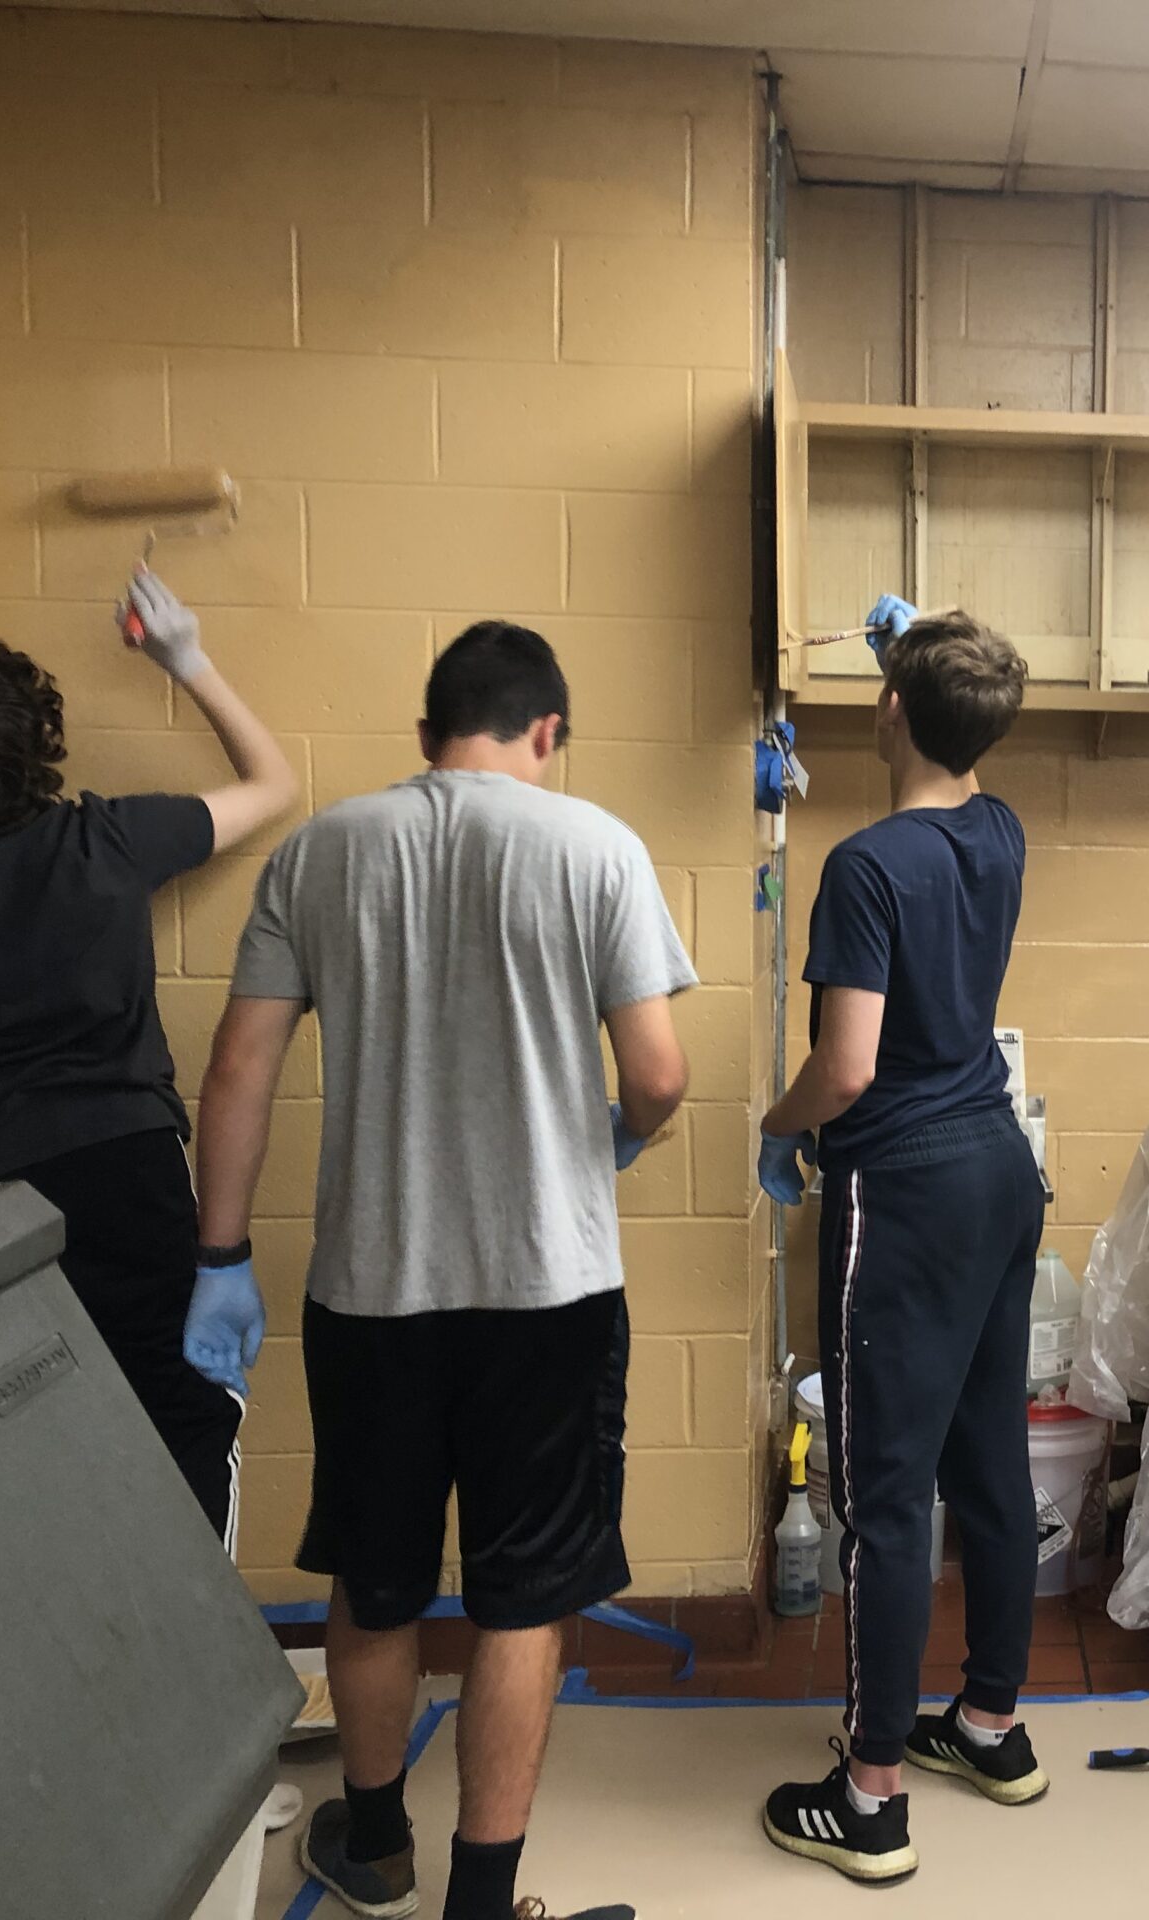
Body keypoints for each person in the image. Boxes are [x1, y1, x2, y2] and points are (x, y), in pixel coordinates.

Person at [196, 621, 692, 1920]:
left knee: (374, 1577)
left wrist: (221, 1256)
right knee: (522, 1599)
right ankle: (480, 1902)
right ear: (548, 730)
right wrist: (617, 1135)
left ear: (426, 735)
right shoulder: (595, 847)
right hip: (550, 1292)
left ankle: (372, 1849)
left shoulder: (319, 852)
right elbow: (658, 1076)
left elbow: (238, 1069)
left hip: (373, 1294)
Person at [0, 569, 296, 1543]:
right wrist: (185, 659)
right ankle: (193, 1630)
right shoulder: (110, 840)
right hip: (127, 1172)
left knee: (28, 1436)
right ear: (40, 740)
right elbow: (273, 784)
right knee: (181, 1412)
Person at [756, 605, 1044, 1883]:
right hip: (999, 1171)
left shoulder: (866, 866)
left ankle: (870, 1798)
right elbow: (947, 727)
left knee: (882, 1496)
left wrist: (780, 1125)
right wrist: (915, 659)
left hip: (907, 1190)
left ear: (887, 710)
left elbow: (847, 1066)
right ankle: (988, 1726)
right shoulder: (1000, 830)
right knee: (988, 1463)